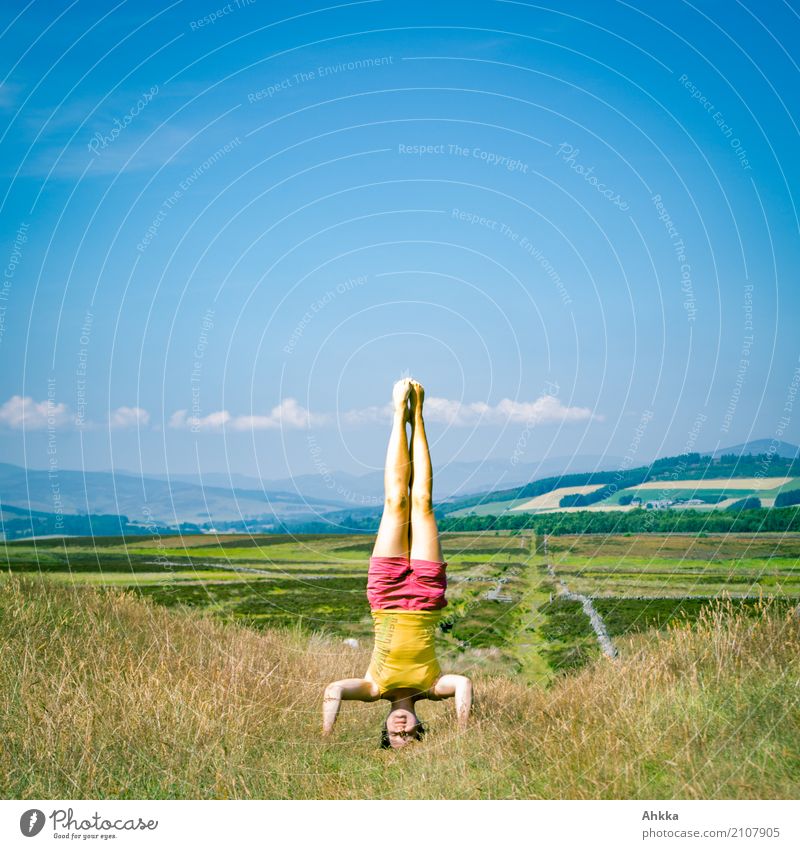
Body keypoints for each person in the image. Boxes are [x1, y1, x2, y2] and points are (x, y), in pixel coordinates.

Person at [322, 378, 473, 748]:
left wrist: (325, 736)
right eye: (410, 733)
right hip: (425, 597)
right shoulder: (434, 687)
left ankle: (396, 415)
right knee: (421, 502)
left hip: (386, 595)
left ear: (385, 730)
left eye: (394, 734)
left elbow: (334, 690)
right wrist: (465, 731)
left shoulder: (373, 689)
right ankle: (418, 414)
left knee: (396, 504)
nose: (401, 727)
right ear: (421, 726)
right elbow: (464, 685)